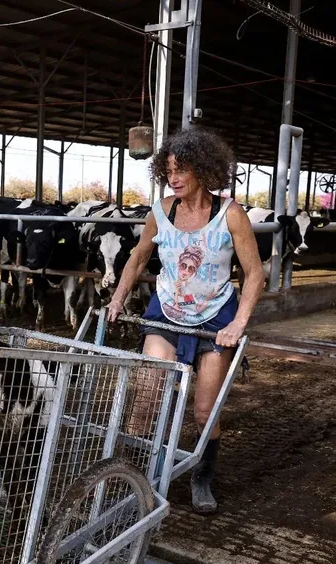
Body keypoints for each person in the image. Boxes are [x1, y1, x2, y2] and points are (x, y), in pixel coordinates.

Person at [108, 127, 265, 515]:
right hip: (167, 313)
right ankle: (134, 478)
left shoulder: (231, 214)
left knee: (202, 411)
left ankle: (201, 478)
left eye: (182, 170)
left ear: (202, 170)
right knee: (145, 401)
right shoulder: (160, 212)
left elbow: (255, 273)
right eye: (168, 171)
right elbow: (139, 258)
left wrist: (238, 323)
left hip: (215, 317)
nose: (173, 178)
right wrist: (117, 297)